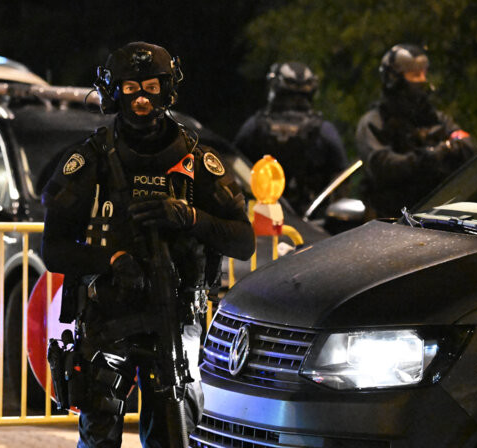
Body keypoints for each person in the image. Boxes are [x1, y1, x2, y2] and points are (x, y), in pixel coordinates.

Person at [41, 41, 254, 447]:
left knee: (175, 436)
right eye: (131, 87)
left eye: (151, 87)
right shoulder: (92, 160)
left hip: (175, 323)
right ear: (111, 92)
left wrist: (192, 218)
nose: (141, 99)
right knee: (99, 434)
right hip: (109, 321)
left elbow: (243, 241)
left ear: (168, 89)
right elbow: (54, 248)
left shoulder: (197, 162)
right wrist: (111, 259)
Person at [356, 43, 477, 218]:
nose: (422, 80)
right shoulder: (374, 123)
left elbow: (468, 145)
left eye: (423, 74)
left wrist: (444, 149)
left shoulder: (436, 118)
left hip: (443, 219)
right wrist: (424, 159)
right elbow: (382, 166)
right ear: (395, 80)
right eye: (414, 75)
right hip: (392, 224)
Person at [234, 61, 347, 215]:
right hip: (315, 227)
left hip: (259, 219)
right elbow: (341, 182)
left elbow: (232, 169)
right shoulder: (324, 131)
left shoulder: (254, 127)